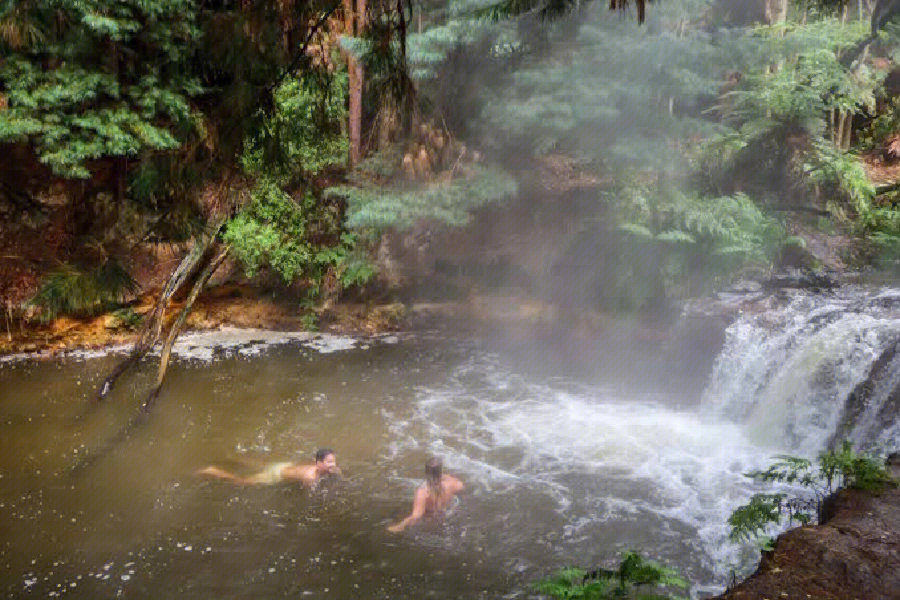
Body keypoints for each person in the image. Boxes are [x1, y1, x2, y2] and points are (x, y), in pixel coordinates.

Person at [387, 457, 464, 533]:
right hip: (446, 516)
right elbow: (461, 485)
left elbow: (416, 516)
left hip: (429, 524)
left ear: (426, 473)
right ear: (440, 472)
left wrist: (401, 525)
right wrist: (447, 476)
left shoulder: (423, 492)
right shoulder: (450, 485)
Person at [197, 448, 340, 488]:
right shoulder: (311, 477)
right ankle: (213, 471)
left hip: (285, 466)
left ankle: (231, 459)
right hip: (276, 475)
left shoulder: (329, 468)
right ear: (318, 463)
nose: (332, 464)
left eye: (333, 461)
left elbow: (338, 473)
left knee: (258, 465)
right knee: (242, 481)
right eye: (328, 462)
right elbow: (307, 497)